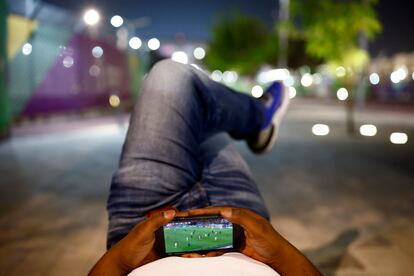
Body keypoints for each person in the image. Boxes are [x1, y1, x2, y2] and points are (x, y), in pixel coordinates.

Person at [89, 59, 321, 275]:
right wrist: (279, 253)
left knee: (174, 82)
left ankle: (259, 118)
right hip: (243, 239)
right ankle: (259, 118)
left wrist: (121, 261)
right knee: (190, 104)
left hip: (143, 243)